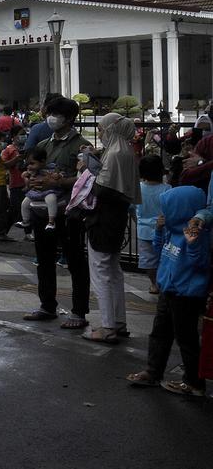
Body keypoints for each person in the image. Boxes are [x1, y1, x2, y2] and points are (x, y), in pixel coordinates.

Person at [125, 186, 210, 397]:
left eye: (167, 209)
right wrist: (160, 230)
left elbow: (200, 264)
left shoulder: (198, 234)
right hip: (168, 289)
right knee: (159, 333)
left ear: (181, 210)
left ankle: (194, 383)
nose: (163, 214)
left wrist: (193, 243)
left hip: (186, 294)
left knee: (186, 338)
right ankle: (153, 372)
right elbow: (159, 249)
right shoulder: (173, 230)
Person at [22, 97, 92, 328]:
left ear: (70, 119)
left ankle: (79, 312)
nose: (51, 118)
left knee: (74, 261)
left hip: (68, 212)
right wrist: (31, 181)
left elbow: (87, 180)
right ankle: (47, 305)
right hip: (41, 211)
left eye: (56, 114)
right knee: (44, 260)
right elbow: (31, 172)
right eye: (49, 113)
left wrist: (57, 183)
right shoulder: (43, 145)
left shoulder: (80, 146)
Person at [83, 113, 139, 343]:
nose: (100, 132)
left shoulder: (114, 154)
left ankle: (107, 327)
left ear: (111, 129)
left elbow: (102, 189)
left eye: (101, 128)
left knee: (100, 272)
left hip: (103, 219)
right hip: (117, 218)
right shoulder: (127, 152)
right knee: (114, 271)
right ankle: (118, 322)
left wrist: (88, 169)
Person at [135, 154, 169, 295]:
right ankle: (164, 282)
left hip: (143, 230)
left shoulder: (138, 188)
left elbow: (133, 209)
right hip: (163, 229)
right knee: (164, 258)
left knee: (149, 261)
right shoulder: (167, 188)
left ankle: (154, 284)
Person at [19, 149, 64, 232]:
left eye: (32, 163)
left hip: (49, 191)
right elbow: (27, 179)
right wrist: (25, 176)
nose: (29, 166)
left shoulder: (52, 167)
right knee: (24, 203)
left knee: (51, 200)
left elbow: (60, 174)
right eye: (28, 164)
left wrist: (57, 175)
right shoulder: (32, 171)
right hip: (36, 192)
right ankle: (25, 220)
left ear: (42, 162)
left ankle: (51, 222)